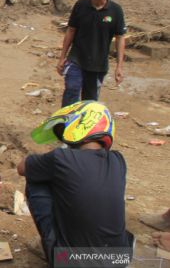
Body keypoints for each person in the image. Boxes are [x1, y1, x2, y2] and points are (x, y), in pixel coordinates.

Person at [18, 101, 134, 267]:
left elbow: (22, 168)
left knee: (35, 179)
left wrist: (49, 160)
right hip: (119, 259)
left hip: (71, 262)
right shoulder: (118, 160)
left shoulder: (60, 158)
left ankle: (54, 248)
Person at [57, 0, 126, 107]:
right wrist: (62, 57)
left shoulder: (116, 11)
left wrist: (119, 66)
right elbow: (71, 30)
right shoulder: (80, 6)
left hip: (98, 64)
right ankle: (66, 125)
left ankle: (83, 128)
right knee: (71, 91)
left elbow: (120, 38)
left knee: (89, 103)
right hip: (76, 59)